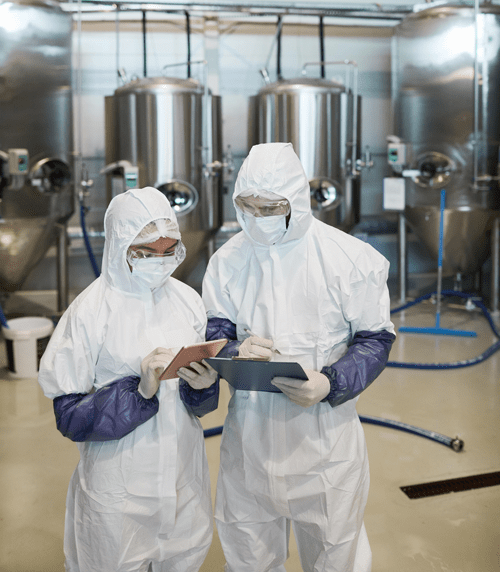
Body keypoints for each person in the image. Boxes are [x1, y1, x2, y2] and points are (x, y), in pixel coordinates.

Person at [187, 142, 396, 572]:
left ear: (296, 202)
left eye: (271, 207)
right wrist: (230, 349)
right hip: (251, 441)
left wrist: (331, 382)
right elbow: (216, 328)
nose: (259, 218)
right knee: (249, 556)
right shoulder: (228, 261)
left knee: (336, 554)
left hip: (325, 447)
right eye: (249, 206)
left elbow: (376, 338)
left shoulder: (349, 259)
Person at [38, 186, 218, 572]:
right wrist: (138, 392)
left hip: (183, 479)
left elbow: (196, 407)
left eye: (169, 249)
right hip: (118, 492)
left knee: (184, 558)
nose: (159, 259)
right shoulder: (89, 312)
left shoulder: (187, 300)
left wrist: (203, 388)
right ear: (120, 245)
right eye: (145, 251)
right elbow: (69, 416)